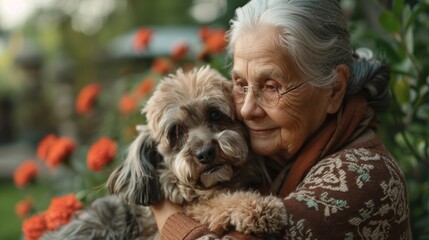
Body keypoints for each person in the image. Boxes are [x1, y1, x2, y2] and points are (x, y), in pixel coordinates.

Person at [150, 0, 412, 239]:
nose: (246, 110)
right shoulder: (275, 157)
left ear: (334, 89)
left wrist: (164, 210)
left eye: (271, 86)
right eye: (240, 84)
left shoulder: (362, 176)